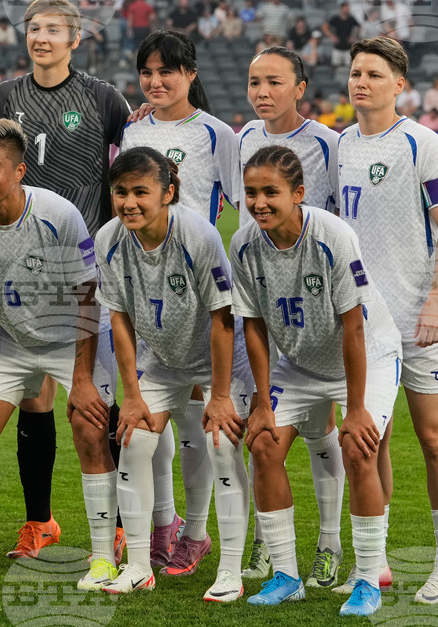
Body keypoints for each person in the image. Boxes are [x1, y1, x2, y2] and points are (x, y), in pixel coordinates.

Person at [0, 119, 118, 591]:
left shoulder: (59, 214)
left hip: (71, 337)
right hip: (11, 340)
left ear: (19, 171)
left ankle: (102, 558)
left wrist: (79, 380)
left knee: (89, 428)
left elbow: (88, 295)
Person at [233, 144, 401, 617]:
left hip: (368, 353)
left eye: (271, 192)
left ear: (299, 193)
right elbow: (254, 326)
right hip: (300, 361)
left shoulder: (332, 235)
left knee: (359, 447)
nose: (260, 202)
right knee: (263, 443)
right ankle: (287, 576)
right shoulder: (243, 244)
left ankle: (368, 580)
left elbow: (354, 326)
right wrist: (263, 404)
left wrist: (357, 408)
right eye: (251, 192)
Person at [0, 0, 131, 560]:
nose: (41, 38)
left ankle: (120, 524)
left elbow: (129, 168)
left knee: (96, 404)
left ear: (75, 39)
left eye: (53, 30)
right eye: (33, 29)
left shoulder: (103, 97)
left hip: (88, 267)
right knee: (34, 398)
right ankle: (39, 521)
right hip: (25, 269)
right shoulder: (8, 96)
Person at [339, 36, 438, 604]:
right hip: (368, 325)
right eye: (355, 72)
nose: (361, 81)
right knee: (372, 440)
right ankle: (377, 562)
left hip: (422, 318)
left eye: (373, 73)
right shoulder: (339, 144)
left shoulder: (424, 144)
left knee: (436, 439)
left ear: (400, 84)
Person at [95, 147, 247, 601]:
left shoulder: (198, 236)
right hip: (160, 358)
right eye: (121, 192)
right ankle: (139, 566)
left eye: (141, 192)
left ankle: (231, 571)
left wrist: (219, 396)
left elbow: (223, 319)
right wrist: (133, 394)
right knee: (135, 442)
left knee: (221, 448)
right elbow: (118, 318)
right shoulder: (109, 240)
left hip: (216, 358)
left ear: (169, 194)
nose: (129, 203)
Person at [120, 30, 241, 573]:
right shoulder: (133, 126)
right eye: (147, 72)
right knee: (150, 416)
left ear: (191, 74)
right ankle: (162, 524)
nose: (156, 81)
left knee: (197, 426)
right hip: (143, 289)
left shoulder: (218, 135)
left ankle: (196, 533)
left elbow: (244, 202)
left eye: (167, 71)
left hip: (199, 291)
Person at [237, 46, 347, 589]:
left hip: (320, 304)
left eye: (274, 81)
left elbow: (341, 225)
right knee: (260, 431)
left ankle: (330, 543)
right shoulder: (241, 140)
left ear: (300, 87)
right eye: (255, 81)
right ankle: (270, 540)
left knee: (321, 428)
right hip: (262, 300)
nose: (262, 91)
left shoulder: (330, 144)